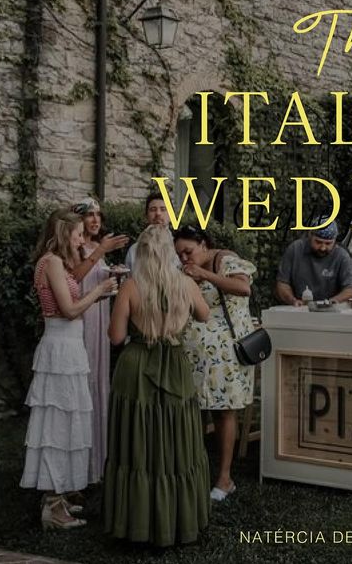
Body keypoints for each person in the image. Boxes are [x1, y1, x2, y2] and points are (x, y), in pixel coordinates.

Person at [103, 225, 210, 546]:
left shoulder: (131, 287)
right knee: (177, 443)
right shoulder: (187, 284)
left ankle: (137, 524)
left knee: (138, 443)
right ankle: (178, 521)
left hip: (136, 368)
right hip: (175, 366)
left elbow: (117, 337)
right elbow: (205, 315)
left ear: (142, 254)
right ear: (171, 253)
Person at [20, 209, 117, 529]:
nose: (81, 238)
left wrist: (99, 295)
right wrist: (99, 292)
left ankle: (59, 498)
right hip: (60, 350)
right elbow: (70, 309)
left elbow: (74, 289)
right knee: (56, 429)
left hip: (70, 349)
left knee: (68, 425)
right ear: (64, 234)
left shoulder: (59, 264)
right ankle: (52, 507)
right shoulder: (51, 263)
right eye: (76, 234)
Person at [173, 224, 257, 502]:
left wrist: (204, 274)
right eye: (180, 255)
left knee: (224, 412)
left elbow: (244, 288)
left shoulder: (225, 260)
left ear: (204, 244)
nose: (185, 258)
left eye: (188, 251)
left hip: (227, 357)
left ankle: (224, 478)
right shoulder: (188, 271)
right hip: (198, 357)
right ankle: (194, 472)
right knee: (196, 412)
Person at [71, 197, 129, 484]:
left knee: (97, 385)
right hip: (80, 322)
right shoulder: (76, 247)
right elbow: (73, 277)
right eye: (89, 215)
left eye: (98, 215)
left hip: (99, 319)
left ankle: (97, 464)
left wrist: (111, 278)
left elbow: (94, 283)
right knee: (82, 386)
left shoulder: (96, 247)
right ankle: (79, 467)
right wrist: (100, 252)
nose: (95, 220)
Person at [274, 220, 352, 305]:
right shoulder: (295, 249)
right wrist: (292, 300)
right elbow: (282, 283)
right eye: (318, 242)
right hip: (299, 308)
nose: (323, 248)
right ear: (310, 235)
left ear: (335, 240)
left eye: (328, 243)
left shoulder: (343, 256)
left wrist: (332, 301)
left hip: (332, 310)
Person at [125, 191, 177, 273]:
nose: (158, 213)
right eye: (153, 210)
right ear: (146, 216)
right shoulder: (134, 250)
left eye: (163, 209)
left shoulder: (178, 248)